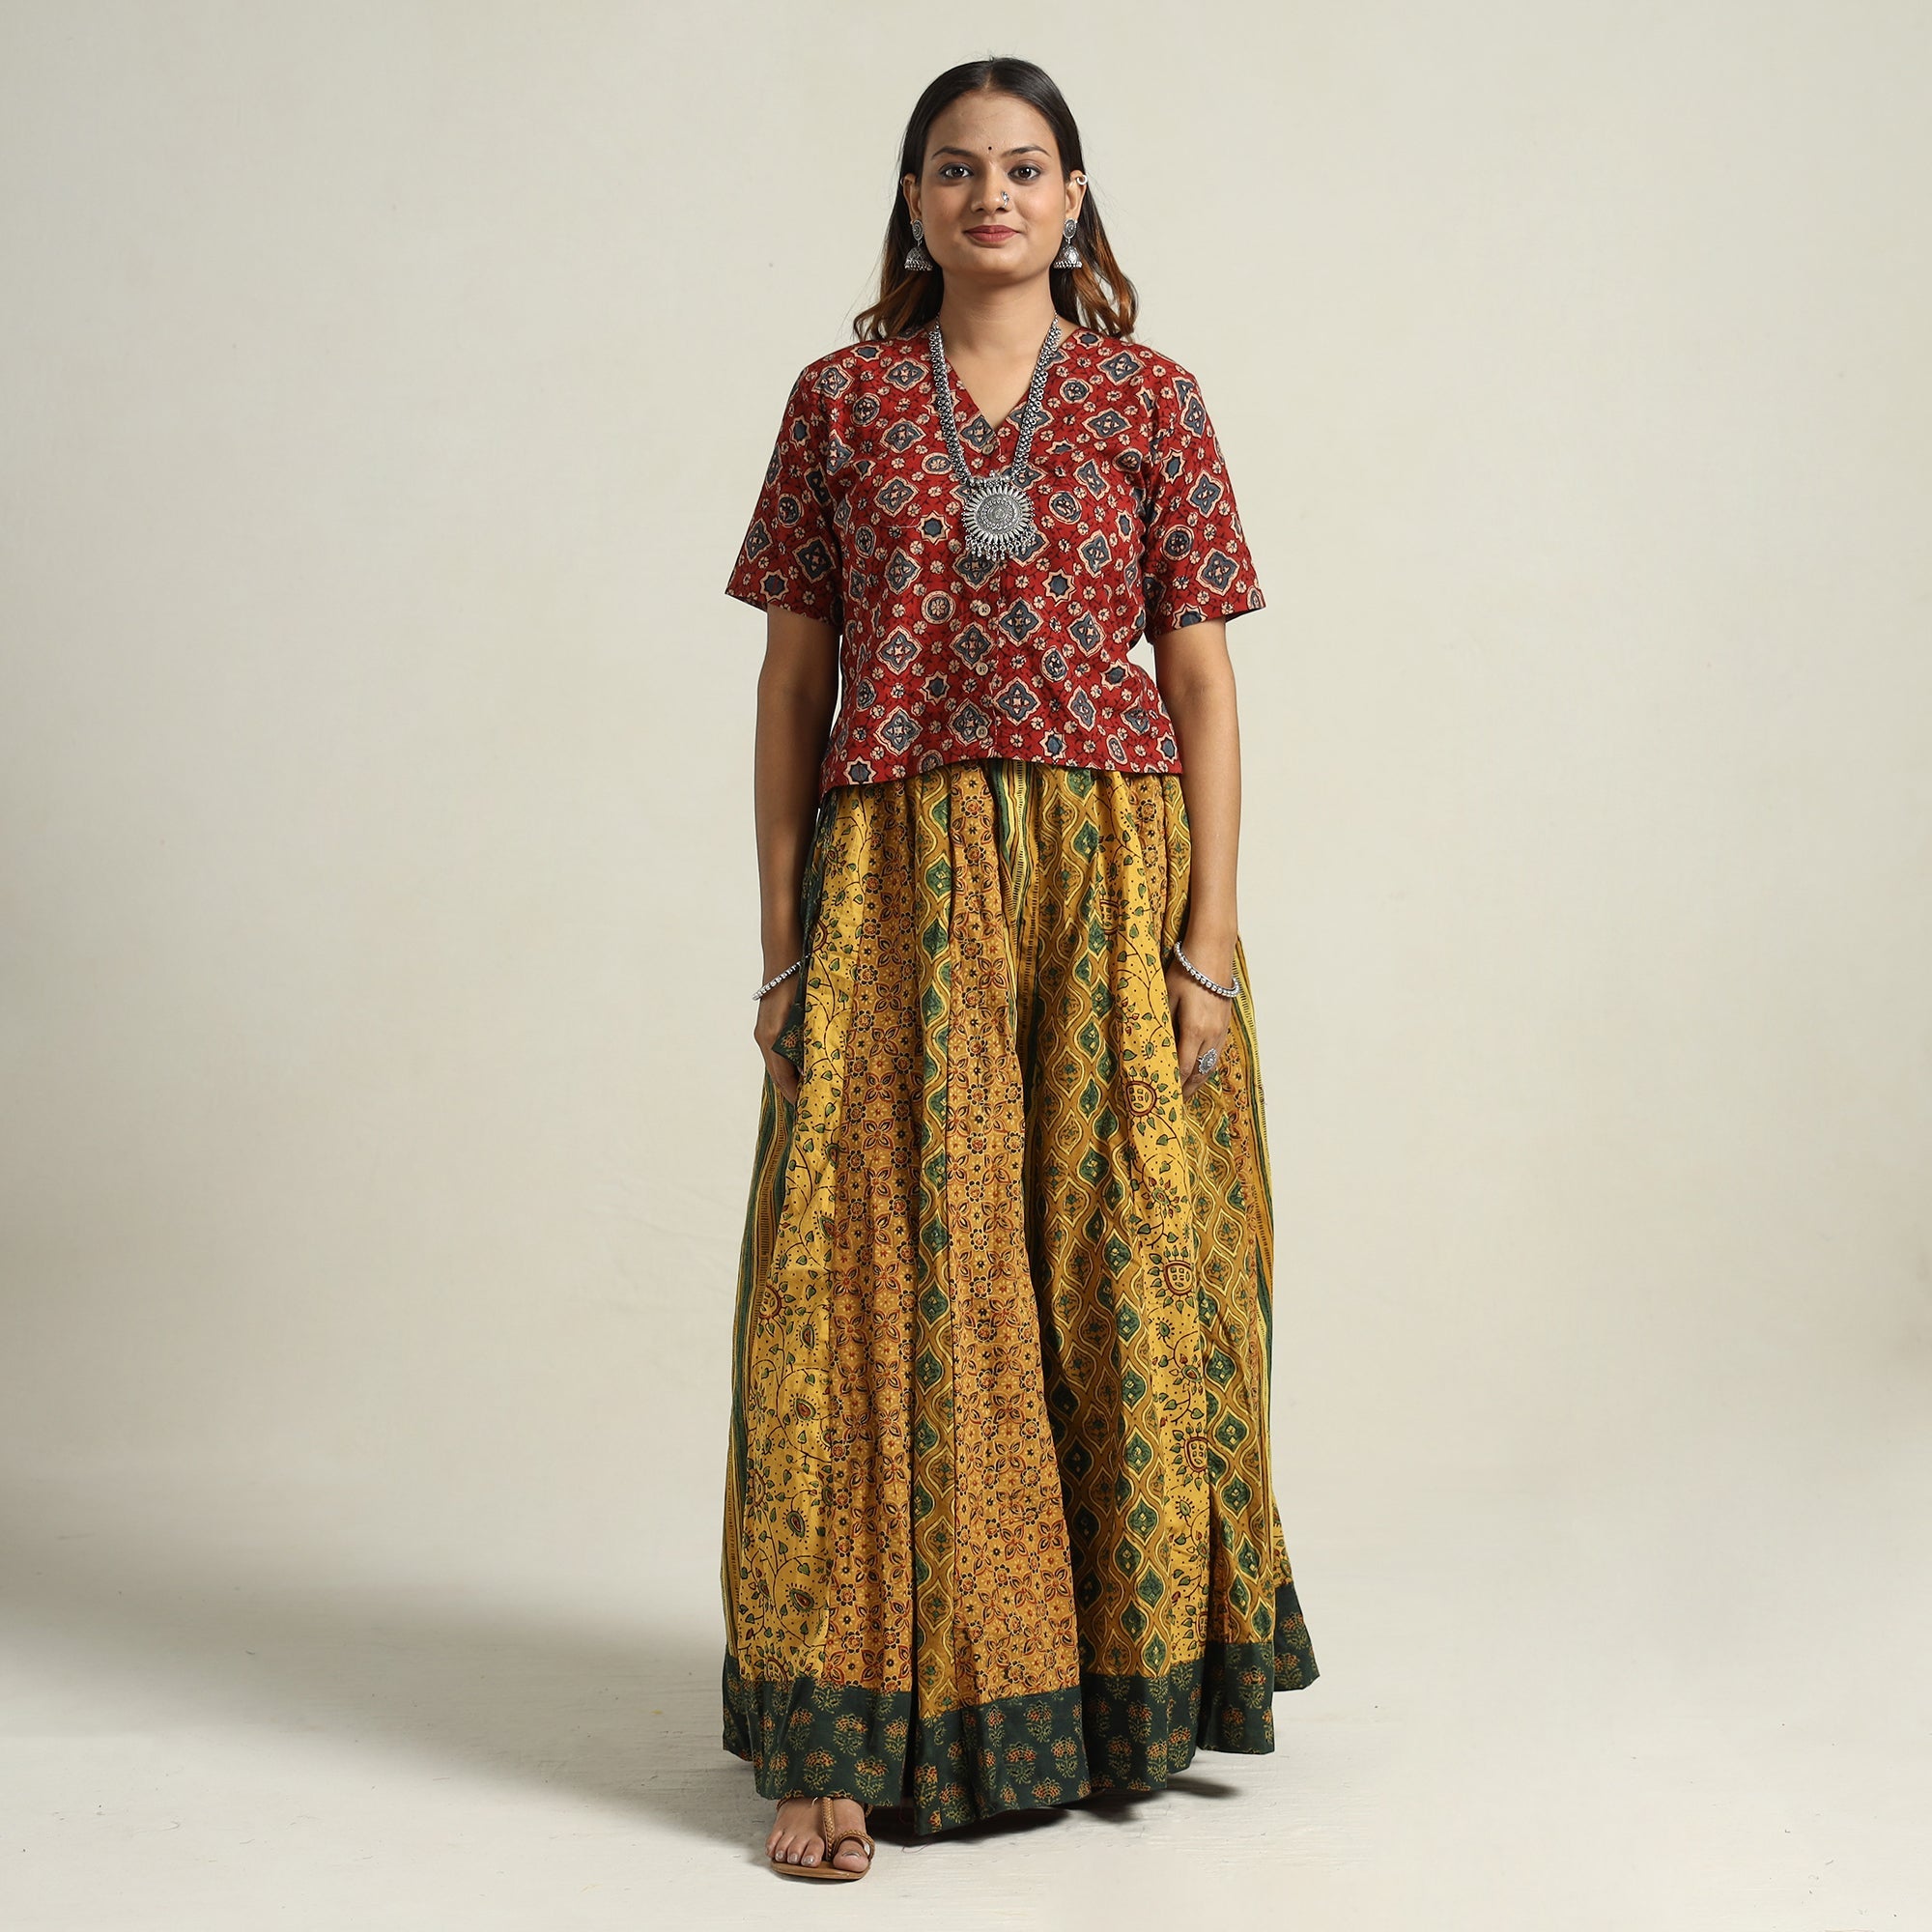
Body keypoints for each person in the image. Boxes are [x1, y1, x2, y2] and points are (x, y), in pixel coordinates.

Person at [719, 55, 1319, 1882]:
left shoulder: (1152, 399)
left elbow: (1201, 679)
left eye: (1027, 167)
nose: (993, 195)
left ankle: (1122, 1702)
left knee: (1121, 1269)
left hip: (1111, 882)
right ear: (913, 201)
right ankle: (844, 1735)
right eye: (957, 168)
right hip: (898, 881)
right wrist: (783, 951)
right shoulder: (839, 405)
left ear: (1074, 199)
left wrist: (1208, 946)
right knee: (875, 1284)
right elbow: (794, 685)